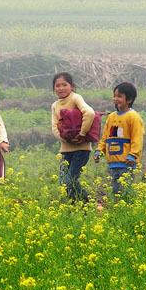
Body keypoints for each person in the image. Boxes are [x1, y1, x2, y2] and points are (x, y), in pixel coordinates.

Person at [94, 82, 144, 199]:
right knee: (115, 192)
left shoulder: (133, 117)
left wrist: (133, 155)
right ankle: (116, 214)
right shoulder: (111, 117)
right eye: (115, 96)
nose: (116, 99)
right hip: (113, 162)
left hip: (127, 163)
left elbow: (137, 138)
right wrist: (99, 151)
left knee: (125, 192)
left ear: (129, 99)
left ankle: (126, 213)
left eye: (119, 96)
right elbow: (105, 137)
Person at [50, 72, 95, 202]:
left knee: (70, 181)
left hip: (81, 150)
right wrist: (66, 138)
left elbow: (89, 113)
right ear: (54, 88)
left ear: (72, 86)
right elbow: (54, 126)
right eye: (58, 85)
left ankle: (90, 203)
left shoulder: (76, 98)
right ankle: (75, 208)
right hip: (65, 150)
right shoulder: (55, 106)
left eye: (65, 85)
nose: (61, 88)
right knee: (64, 184)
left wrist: (82, 134)